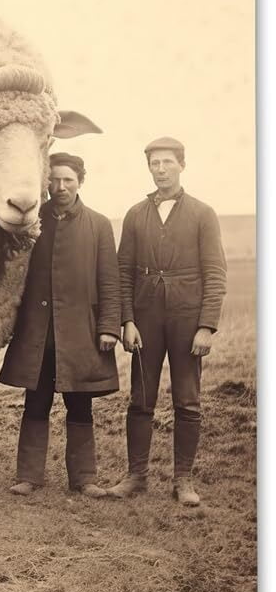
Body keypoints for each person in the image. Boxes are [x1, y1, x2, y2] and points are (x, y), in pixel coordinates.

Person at [108, 137, 227, 506]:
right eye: (154, 164)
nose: (160, 169)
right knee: (140, 399)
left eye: (167, 163)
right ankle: (136, 476)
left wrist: (206, 325)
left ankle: (183, 481)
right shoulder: (134, 215)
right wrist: (127, 320)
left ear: (181, 165)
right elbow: (123, 272)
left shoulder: (202, 213)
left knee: (187, 401)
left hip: (188, 321)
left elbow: (216, 272)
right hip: (145, 320)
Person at [0, 153, 120, 497]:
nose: (60, 186)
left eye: (68, 179)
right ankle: (29, 476)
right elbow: (12, 276)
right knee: (35, 402)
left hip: (81, 333)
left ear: (81, 181)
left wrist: (109, 326)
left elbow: (109, 280)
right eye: (54, 180)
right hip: (39, 334)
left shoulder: (98, 224)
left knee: (80, 405)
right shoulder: (32, 222)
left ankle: (84, 479)